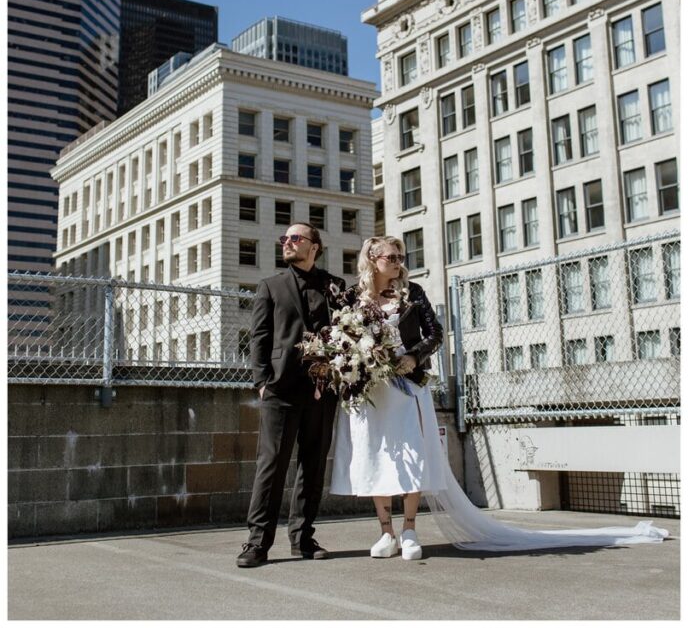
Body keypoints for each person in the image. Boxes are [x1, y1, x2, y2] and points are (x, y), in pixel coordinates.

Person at [330, 236, 668, 558]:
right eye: (391, 257)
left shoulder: (412, 291)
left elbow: (434, 334)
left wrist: (413, 357)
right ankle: (386, 532)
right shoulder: (353, 298)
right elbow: (342, 338)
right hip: (374, 391)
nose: (399, 263)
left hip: (408, 387)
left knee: (414, 458)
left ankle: (410, 530)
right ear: (372, 261)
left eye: (401, 257)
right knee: (378, 459)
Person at [236, 223, 352, 568]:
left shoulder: (335, 286)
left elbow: (348, 330)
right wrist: (262, 381)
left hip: (322, 391)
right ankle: (257, 542)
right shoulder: (270, 285)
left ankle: (302, 538)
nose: (287, 243)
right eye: (285, 239)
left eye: (295, 238)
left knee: (313, 466)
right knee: (271, 466)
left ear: (314, 246)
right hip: (281, 389)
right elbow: (259, 336)